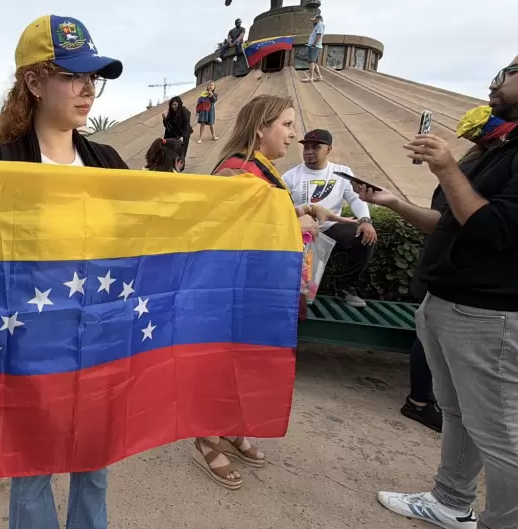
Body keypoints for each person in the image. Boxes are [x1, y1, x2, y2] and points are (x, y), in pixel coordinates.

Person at [0, 15, 127, 529]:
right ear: (34, 83)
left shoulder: (109, 163)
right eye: (72, 76)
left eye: (92, 77)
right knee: (33, 470)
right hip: (28, 341)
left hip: (98, 337)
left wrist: (263, 207)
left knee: (94, 465)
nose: (87, 89)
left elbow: (165, 222)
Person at [372, 58, 518, 529]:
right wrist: (396, 203)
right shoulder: (501, 147)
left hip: (489, 314)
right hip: (450, 302)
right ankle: (451, 501)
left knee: (502, 436)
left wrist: (449, 168)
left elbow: (495, 229)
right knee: (457, 413)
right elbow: (450, 222)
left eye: (511, 71)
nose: (496, 81)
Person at [195, 94, 352, 491]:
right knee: (224, 363)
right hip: (232, 293)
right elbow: (227, 232)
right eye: (286, 124)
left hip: (255, 290)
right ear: (260, 128)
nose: (292, 134)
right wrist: (295, 227)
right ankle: (206, 437)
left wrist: (305, 212)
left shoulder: (259, 169)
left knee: (244, 363)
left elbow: (262, 214)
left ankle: (229, 426)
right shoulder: (235, 172)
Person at [282, 129, 377, 308]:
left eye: (315, 147)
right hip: (302, 232)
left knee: (363, 236)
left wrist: (365, 220)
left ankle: (347, 287)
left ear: (329, 149)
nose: (309, 151)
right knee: (304, 294)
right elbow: (281, 208)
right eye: (306, 147)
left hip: (331, 228)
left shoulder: (342, 172)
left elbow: (356, 198)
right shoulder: (290, 176)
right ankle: (297, 295)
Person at [301, 14, 325, 83]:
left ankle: (310, 78)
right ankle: (319, 77)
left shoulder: (320, 25)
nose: (313, 21)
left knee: (311, 61)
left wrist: (314, 44)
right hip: (313, 46)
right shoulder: (318, 25)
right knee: (313, 62)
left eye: (314, 20)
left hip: (314, 46)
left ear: (318, 19)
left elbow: (319, 35)